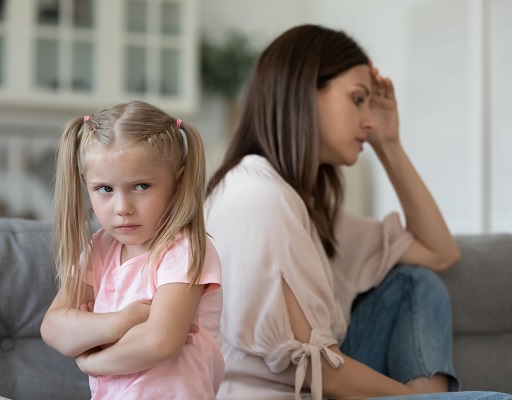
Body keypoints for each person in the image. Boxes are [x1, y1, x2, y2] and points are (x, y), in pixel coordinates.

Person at [204, 24, 511, 400]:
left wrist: (389, 143)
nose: (369, 119)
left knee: (416, 284)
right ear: (304, 92)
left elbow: (440, 252)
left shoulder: (303, 207)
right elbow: (318, 370)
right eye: (357, 99)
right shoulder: (257, 195)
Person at [41, 100, 224, 399]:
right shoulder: (100, 248)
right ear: (86, 185)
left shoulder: (183, 249)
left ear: (177, 183)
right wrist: (121, 322)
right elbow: (53, 328)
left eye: (141, 186)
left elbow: (160, 341)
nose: (122, 208)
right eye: (105, 189)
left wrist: (93, 360)